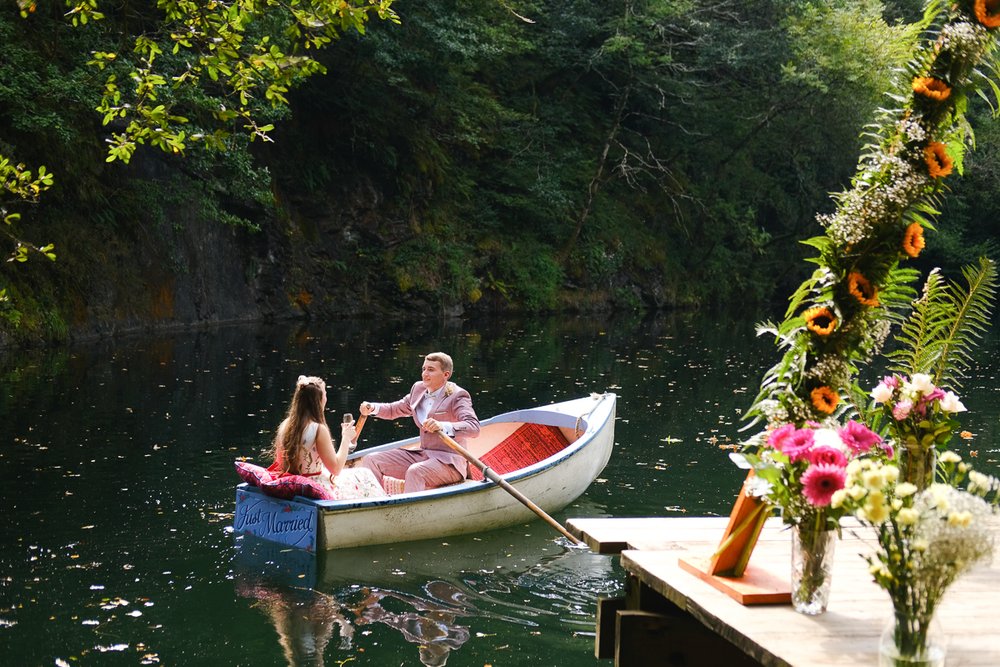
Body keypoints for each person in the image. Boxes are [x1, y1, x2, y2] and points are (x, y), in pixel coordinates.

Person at [359, 352, 480, 493]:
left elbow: (474, 427)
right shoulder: (418, 389)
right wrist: (373, 408)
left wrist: (443, 426)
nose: (425, 374)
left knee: (416, 471)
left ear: (446, 375)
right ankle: (373, 505)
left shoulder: (457, 395)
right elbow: (395, 409)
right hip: (423, 455)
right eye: (424, 369)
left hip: (449, 463)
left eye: (431, 370)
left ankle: (408, 513)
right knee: (371, 460)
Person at [271, 375, 385, 500]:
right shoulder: (318, 429)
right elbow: (336, 469)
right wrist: (346, 438)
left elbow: (279, 463)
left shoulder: (285, 425)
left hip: (292, 484)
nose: (326, 398)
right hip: (314, 487)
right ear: (319, 400)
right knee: (365, 474)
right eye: (325, 394)